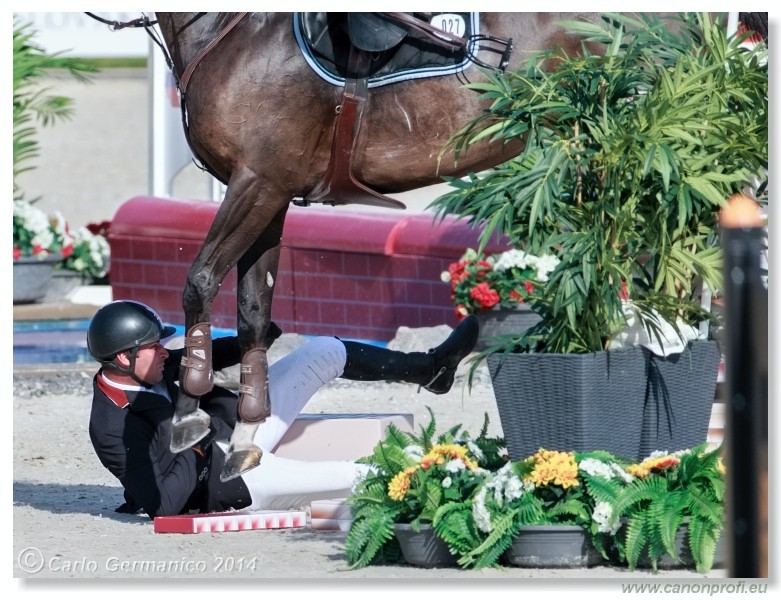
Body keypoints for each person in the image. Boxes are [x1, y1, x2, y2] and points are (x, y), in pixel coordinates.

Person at [86, 300, 479, 519]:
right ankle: (458, 480)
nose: (163, 353)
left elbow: (202, 357)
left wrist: (253, 334)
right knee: (355, 474)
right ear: (124, 356)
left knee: (324, 351)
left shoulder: (147, 366)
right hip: (234, 481)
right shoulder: (110, 428)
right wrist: (193, 438)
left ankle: (430, 369)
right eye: (155, 346)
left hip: (240, 431)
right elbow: (164, 505)